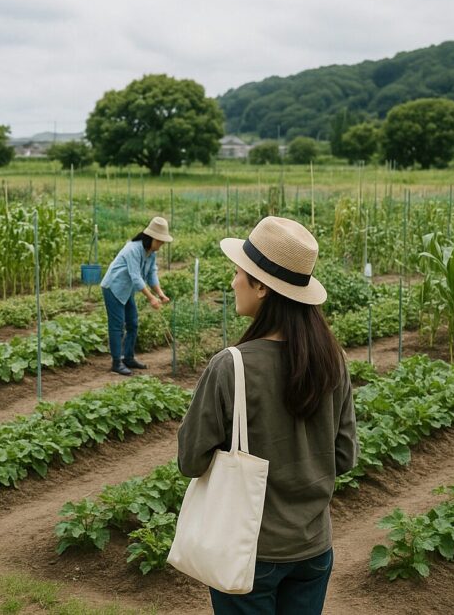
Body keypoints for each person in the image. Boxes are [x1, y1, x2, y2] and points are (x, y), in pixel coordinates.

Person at [177, 216, 358, 615]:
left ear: (261, 286)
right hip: (313, 549)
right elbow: (343, 458)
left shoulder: (232, 366)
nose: (233, 282)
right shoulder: (333, 361)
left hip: (249, 551)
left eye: (238, 273)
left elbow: (190, 460)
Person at [100, 216, 172, 375]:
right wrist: (150, 298)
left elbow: (152, 274)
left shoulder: (151, 252)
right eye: (159, 241)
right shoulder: (132, 249)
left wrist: (160, 294)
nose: (161, 245)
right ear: (151, 238)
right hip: (113, 288)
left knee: (133, 323)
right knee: (117, 326)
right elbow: (135, 276)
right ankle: (116, 362)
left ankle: (128, 357)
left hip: (126, 291)